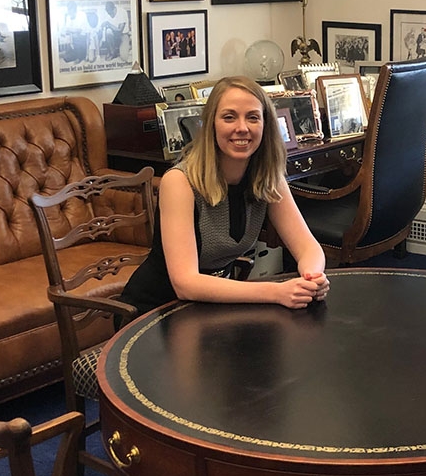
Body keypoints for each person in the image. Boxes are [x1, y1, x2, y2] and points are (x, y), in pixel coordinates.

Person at [120, 76, 330, 319]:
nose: (242, 127)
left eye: (253, 117)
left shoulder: (268, 178)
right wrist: (276, 292)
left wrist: (311, 277)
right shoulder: (179, 182)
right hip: (157, 313)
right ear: (211, 124)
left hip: (213, 309)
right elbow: (185, 283)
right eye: (229, 117)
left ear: (266, 124)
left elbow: (309, 249)